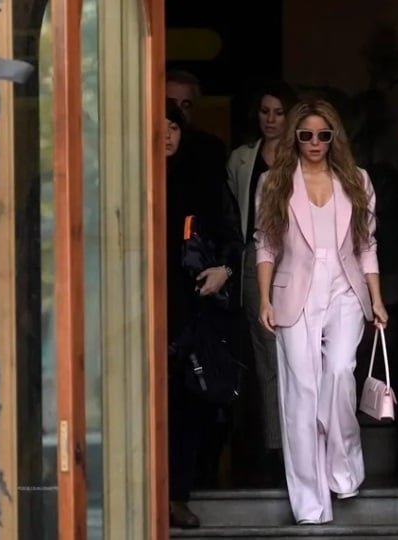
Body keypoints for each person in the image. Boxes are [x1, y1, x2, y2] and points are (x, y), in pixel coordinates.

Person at [254, 98, 389, 524]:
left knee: (338, 374)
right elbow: (265, 243)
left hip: (346, 288)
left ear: (334, 137)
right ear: (295, 136)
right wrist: (263, 299)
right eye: (307, 134)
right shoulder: (275, 182)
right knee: (302, 392)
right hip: (294, 289)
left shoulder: (357, 179)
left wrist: (377, 299)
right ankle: (311, 502)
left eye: (323, 135)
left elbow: (367, 245)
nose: (315, 142)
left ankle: (344, 467)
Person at [164, 99, 243, 528]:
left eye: (173, 126)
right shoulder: (127, 176)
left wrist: (223, 270)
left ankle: (178, 495)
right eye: (158, 127)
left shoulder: (203, 179)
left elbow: (232, 236)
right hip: (137, 311)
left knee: (188, 403)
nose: (167, 135)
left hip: (192, 309)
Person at [226, 81, 298, 484]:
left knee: (302, 354)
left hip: (301, 260)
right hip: (257, 258)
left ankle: (303, 442)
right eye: (264, 112)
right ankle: (277, 448)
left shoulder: (305, 155)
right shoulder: (241, 159)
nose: (270, 120)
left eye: (278, 112)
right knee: (267, 355)